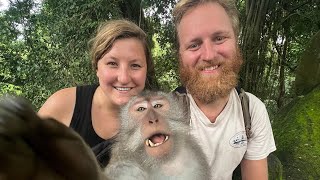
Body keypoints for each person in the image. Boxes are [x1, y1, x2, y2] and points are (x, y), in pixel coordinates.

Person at [172, 0, 276, 179]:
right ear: (180, 55)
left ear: (236, 42)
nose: (209, 55)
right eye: (194, 44)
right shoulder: (165, 115)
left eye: (219, 38)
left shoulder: (251, 111)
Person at [38, 19, 156, 166]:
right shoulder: (63, 105)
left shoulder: (156, 121)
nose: (124, 78)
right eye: (112, 64)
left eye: (135, 65)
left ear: (146, 70)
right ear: (96, 67)